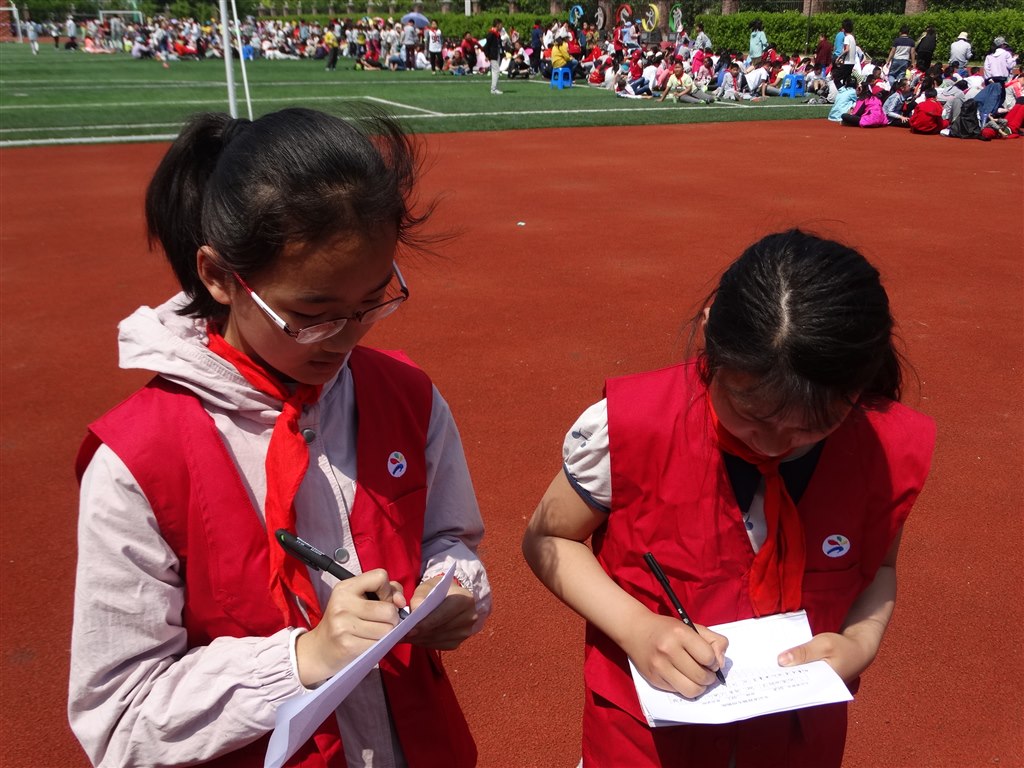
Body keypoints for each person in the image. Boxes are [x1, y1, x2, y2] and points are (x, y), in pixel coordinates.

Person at [69, 108, 492, 768]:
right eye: (311, 315)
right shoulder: (138, 462)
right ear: (218, 276)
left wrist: (452, 587)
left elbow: (448, 536)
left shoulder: (407, 396)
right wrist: (303, 657)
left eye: (372, 301)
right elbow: (120, 719)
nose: (346, 337)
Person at [522, 229, 935, 767]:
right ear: (711, 333)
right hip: (644, 743)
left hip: (796, 746)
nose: (775, 443)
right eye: (749, 412)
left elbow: (878, 567)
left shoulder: (886, 452)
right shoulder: (630, 427)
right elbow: (548, 537)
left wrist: (861, 640)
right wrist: (636, 627)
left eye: (814, 425)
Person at [484, 18, 505, 95]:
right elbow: (487, 45)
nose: (502, 27)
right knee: (496, 71)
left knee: (495, 71)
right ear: (497, 25)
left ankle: (494, 88)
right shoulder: (491, 34)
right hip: (493, 54)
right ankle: (493, 89)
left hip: (497, 53)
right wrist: (487, 55)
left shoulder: (497, 34)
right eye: (501, 25)